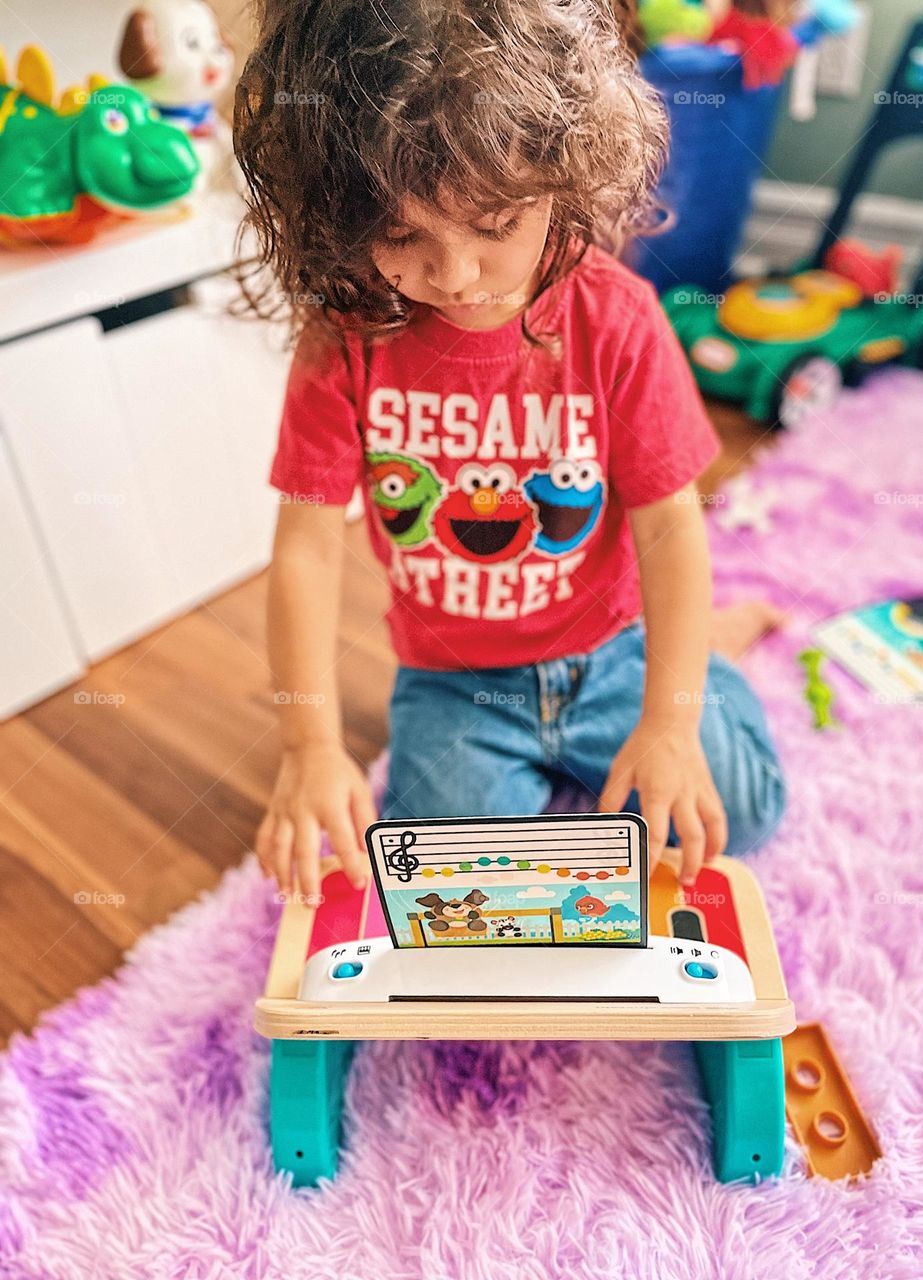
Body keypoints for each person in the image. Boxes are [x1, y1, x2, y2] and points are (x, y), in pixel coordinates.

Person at [234, 0, 787, 902]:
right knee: (445, 876)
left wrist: (671, 719)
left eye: (494, 227)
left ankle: (710, 653)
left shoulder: (616, 319)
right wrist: (311, 746)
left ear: (566, 184)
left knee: (743, 811)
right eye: (401, 235)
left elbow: (671, 530)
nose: (452, 276)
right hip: (455, 687)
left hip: (616, 650)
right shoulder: (345, 340)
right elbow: (304, 545)